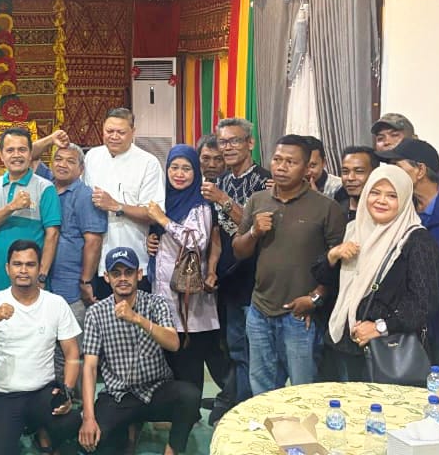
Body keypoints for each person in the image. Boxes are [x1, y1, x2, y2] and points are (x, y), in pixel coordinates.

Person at [233, 135, 346, 395]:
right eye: (277, 159)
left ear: (307, 169)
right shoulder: (258, 200)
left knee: (303, 392)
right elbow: (239, 251)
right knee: (262, 391)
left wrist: (315, 298)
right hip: (260, 311)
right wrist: (254, 232)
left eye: (291, 162)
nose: (281, 167)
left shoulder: (326, 208)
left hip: (300, 315)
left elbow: (339, 264)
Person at [313, 165, 439, 381]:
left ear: (404, 199)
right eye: (375, 192)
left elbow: (424, 303)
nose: (381, 201)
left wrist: (380, 328)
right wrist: (333, 255)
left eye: (392, 196)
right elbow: (326, 280)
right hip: (342, 342)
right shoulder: (354, 229)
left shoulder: (417, 240)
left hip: (386, 349)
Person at [0, 239, 81, 455]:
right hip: (4, 394)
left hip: (43, 392)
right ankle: (24, 429)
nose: (23, 270)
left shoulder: (56, 303)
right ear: (8, 268)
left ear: (39, 268)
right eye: (17, 264)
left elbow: (72, 354)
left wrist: (67, 392)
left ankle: (41, 431)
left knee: (71, 422)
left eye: (30, 264)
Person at [78, 247, 200, 455]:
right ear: (107, 277)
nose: (123, 278)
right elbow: (89, 367)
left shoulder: (156, 303)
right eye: (116, 273)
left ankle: (171, 451)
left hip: (156, 389)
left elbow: (173, 343)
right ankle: (129, 430)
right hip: (119, 395)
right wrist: (88, 418)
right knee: (95, 443)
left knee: (190, 396)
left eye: (129, 272)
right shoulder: (95, 313)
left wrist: (137, 319)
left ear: (139, 274)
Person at [378, 139, 439, 388]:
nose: (392, 173)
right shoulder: (402, 214)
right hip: (410, 328)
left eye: (398, 166)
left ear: (420, 170)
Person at [204, 117, 271, 422]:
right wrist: (212, 268)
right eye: (223, 141)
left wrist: (223, 200)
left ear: (250, 143)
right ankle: (235, 403)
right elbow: (218, 234)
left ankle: (251, 411)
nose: (227, 147)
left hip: (258, 277)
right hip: (230, 278)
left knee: (257, 352)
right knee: (234, 348)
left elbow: (257, 227)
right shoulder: (222, 180)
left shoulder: (265, 181)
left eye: (234, 140)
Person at [30, 130, 107, 385]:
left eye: (70, 161)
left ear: (81, 169)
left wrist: (85, 281)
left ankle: (74, 400)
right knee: (45, 350)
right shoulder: (45, 183)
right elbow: (28, 155)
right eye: (58, 159)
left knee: (72, 350)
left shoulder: (85, 195)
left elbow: (93, 241)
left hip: (71, 285)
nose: (62, 164)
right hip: (44, 282)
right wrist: (51, 140)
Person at [146, 145, 219, 395]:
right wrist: (151, 239)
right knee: (167, 362)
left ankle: (191, 411)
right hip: (161, 293)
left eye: (186, 169)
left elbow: (198, 241)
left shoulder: (200, 206)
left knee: (188, 362)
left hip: (188, 300)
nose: (179, 174)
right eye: (174, 168)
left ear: (196, 172)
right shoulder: (163, 199)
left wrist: (163, 220)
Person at [83, 107, 165, 299]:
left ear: (133, 132)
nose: (114, 136)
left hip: (135, 259)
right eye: (109, 131)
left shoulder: (148, 163)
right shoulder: (92, 157)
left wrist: (116, 206)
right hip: (98, 260)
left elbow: (154, 213)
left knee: (136, 314)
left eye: (121, 132)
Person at [0, 127, 62, 293]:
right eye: (10, 150)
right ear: (1, 155)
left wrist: (42, 276)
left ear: (30, 154)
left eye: (22, 150)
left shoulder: (45, 187)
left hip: (31, 282)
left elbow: (52, 235)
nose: (16, 155)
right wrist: (12, 206)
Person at [371, 113, 439, 197]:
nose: (387, 142)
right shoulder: (379, 176)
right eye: (380, 138)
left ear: (414, 139)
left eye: (394, 135)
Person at [336, 146, 379, 220]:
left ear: (375, 172)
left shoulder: (383, 209)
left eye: (359, 171)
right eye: (345, 171)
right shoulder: (336, 211)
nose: (350, 178)